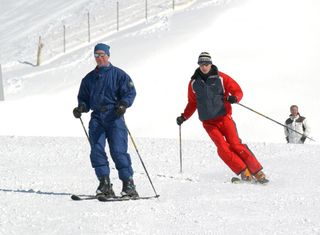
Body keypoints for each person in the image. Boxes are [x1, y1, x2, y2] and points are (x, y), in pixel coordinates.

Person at [176, 52, 268, 183]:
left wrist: (235, 97)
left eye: (206, 64)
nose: (204, 67)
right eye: (201, 64)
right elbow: (192, 103)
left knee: (235, 144)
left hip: (224, 118)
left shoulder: (221, 78)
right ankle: (244, 171)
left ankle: (257, 172)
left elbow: (237, 90)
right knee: (222, 148)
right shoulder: (193, 83)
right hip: (208, 123)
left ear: (211, 64)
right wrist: (184, 116)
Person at [73, 43, 139, 197]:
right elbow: (84, 98)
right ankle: (104, 184)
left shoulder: (119, 75)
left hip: (114, 116)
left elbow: (130, 92)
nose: (100, 58)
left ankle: (128, 184)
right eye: (97, 55)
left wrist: (123, 104)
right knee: (96, 149)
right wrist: (81, 108)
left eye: (102, 55)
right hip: (97, 118)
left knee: (118, 151)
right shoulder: (88, 79)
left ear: (108, 55)